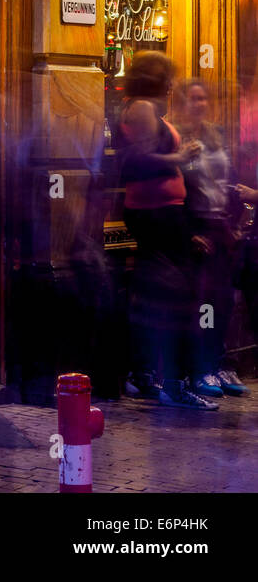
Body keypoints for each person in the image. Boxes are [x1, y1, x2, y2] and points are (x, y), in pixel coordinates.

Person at [116, 51, 214, 410]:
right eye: (168, 76)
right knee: (179, 298)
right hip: (155, 213)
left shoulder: (144, 107)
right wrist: (179, 157)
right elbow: (135, 161)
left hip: (162, 213)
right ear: (155, 77)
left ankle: (153, 376)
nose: (173, 83)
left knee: (168, 296)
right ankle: (172, 382)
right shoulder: (141, 107)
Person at [174, 78, 249, 397]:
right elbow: (176, 190)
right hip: (197, 225)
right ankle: (199, 369)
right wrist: (188, 232)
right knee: (200, 302)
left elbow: (227, 179)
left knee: (223, 301)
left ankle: (218, 363)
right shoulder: (175, 139)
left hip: (221, 225)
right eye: (193, 99)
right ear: (181, 103)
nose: (200, 104)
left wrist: (234, 220)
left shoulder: (215, 133)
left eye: (204, 99)